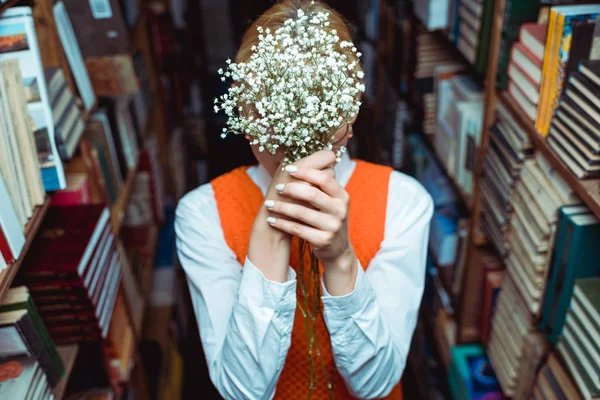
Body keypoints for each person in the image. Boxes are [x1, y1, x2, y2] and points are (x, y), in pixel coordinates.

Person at [175, 1, 433, 399]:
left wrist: (341, 259)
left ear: (350, 112)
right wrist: (268, 238)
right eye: (273, 114)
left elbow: (377, 386)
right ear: (244, 113)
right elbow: (243, 392)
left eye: (318, 109)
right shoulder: (203, 214)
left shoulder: (403, 202)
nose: (295, 140)